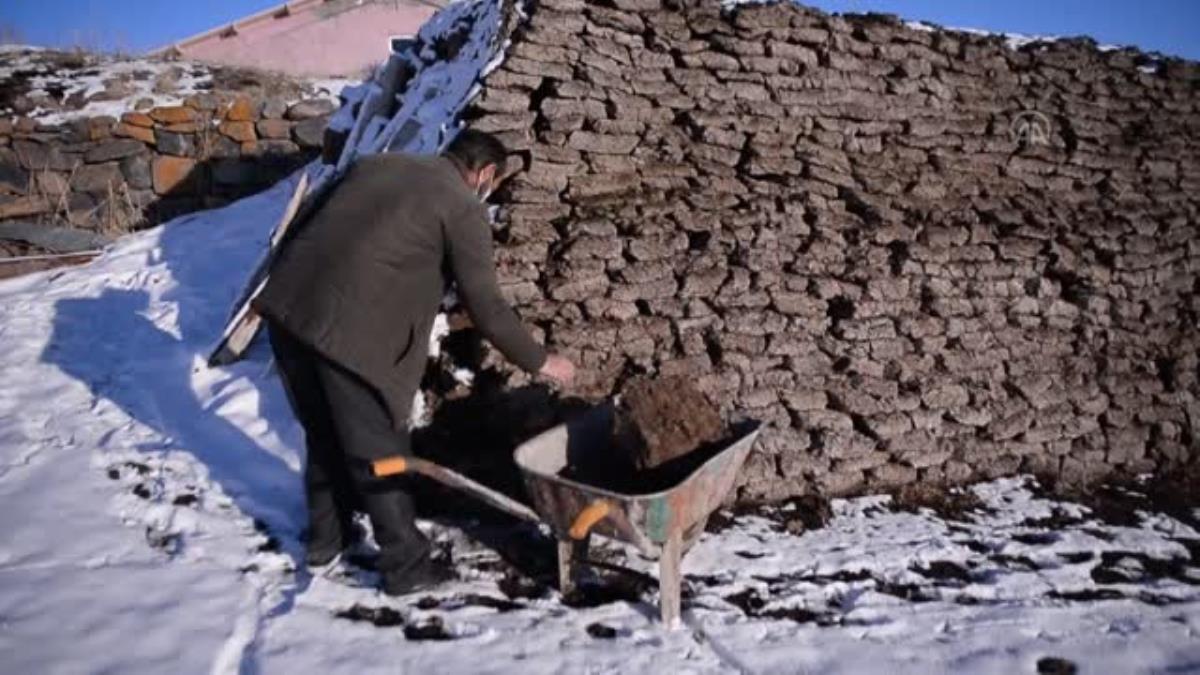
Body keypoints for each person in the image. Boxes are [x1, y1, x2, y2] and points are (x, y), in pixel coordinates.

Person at [253, 130, 576, 595]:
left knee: (324, 435)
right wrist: (540, 361)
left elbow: (302, 226)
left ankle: (326, 541)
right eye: (495, 183)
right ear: (485, 173)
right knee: (380, 451)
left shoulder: (374, 165)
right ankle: (406, 566)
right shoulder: (461, 205)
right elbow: (487, 307)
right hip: (348, 335)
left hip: (288, 313)